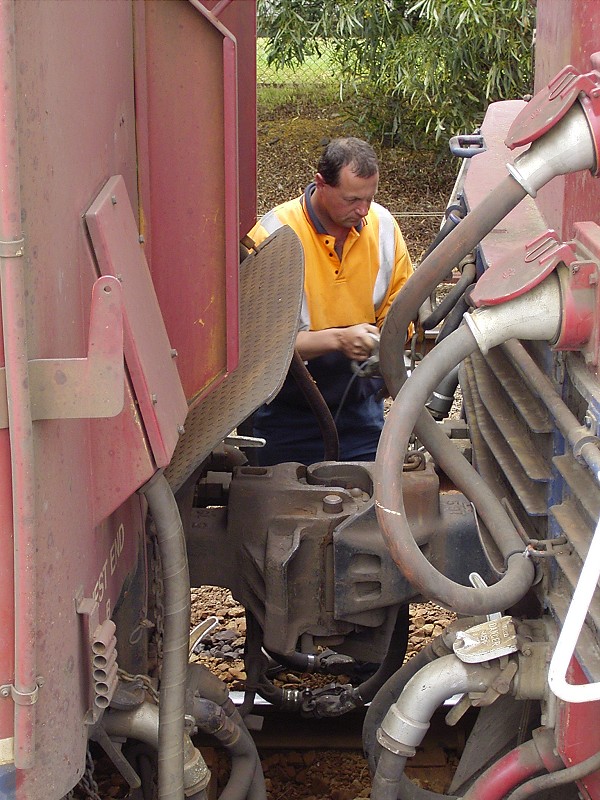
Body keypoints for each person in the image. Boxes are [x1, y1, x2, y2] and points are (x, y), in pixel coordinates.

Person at [248, 137, 413, 465]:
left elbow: (402, 311)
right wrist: (338, 339)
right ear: (320, 183)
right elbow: (258, 346)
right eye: (352, 199)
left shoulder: (382, 227)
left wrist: (387, 346)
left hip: (360, 415)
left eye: (369, 198)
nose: (363, 210)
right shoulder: (273, 235)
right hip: (284, 416)